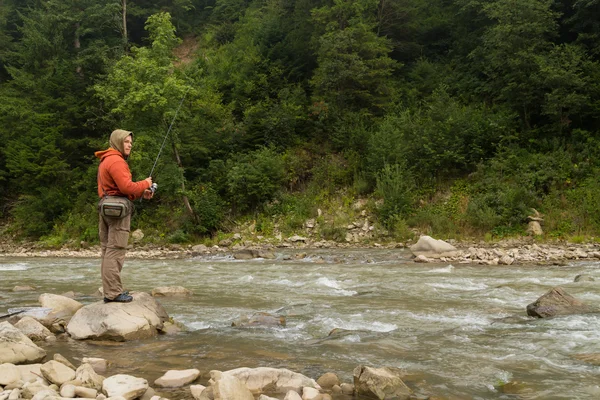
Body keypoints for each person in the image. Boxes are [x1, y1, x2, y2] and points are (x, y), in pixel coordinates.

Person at [95, 129, 154, 303]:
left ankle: (110, 291)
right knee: (116, 250)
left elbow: (120, 189)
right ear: (118, 142)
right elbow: (127, 187)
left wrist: (142, 192)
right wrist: (146, 183)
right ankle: (113, 293)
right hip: (117, 210)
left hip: (107, 206)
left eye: (130, 143)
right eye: (126, 142)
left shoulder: (107, 159)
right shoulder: (116, 161)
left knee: (107, 251)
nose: (129, 145)